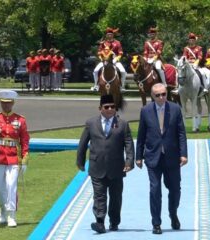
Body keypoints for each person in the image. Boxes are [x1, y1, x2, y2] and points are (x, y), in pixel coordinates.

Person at [76, 94, 134, 234]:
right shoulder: (91, 123)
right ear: (100, 108)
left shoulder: (123, 124)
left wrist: (129, 161)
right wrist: (80, 161)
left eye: (112, 107)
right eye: (106, 107)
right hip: (97, 166)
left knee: (116, 197)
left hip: (117, 167)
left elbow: (128, 143)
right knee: (99, 196)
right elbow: (83, 144)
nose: (110, 109)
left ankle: (114, 222)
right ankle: (100, 222)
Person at [136, 83, 188, 234]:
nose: (161, 97)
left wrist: (184, 154)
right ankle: (156, 223)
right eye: (158, 95)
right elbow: (141, 134)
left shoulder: (175, 109)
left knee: (175, 189)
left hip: (172, 157)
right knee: (155, 190)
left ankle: (173, 213)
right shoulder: (145, 111)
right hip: (153, 157)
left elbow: (181, 134)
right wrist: (138, 156)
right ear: (152, 96)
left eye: (164, 94)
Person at [0, 90, 30, 227]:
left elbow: (24, 139)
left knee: (11, 186)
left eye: (8, 103)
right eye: (3, 103)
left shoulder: (20, 120)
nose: (5, 106)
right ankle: (2, 208)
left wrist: (25, 157)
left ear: (13, 103)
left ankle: (11, 215)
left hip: (14, 156)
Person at [92, 27, 126, 92]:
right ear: (106, 35)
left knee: (123, 71)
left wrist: (116, 59)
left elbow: (120, 53)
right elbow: (99, 52)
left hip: (114, 60)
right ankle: (96, 85)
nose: (109, 35)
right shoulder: (103, 43)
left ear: (113, 35)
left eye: (110, 34)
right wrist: (101, 59)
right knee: (95, 71)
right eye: (108, 34)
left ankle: (122, 86)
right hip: (104, 60)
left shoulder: (117, 43)